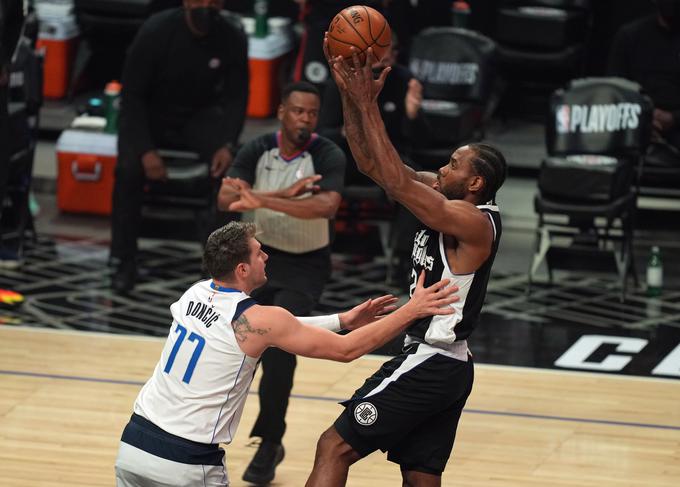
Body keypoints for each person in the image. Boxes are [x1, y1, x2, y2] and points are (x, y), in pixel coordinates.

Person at [114, 220, 459, 487]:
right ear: (242, 270)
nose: (266, 256)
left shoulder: (196, 293)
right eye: (258, 252)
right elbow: (347, 350)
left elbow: (279, 325)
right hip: (185, 460)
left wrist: (343, 319)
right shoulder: (259, 318)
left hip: (133, 444)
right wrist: (412, 310)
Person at [304, 42, 507, 487]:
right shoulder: (450, 196)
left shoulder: (471, 221)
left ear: (475, 183)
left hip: (432, 361)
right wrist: (349, 96)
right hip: (447, 365)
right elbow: (373, 164)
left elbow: (396, 181)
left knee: (333, 446)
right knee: (420, 477)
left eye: (453, 165)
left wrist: (367, 101)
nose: (441, 168)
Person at [216, 80, 345, 484]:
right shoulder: (257, 148)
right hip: (258, 261)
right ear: (282, 112)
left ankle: (270, 441)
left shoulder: (327, 152)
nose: (305, 119)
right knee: (233, 345)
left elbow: (326, 207)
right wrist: (287, 193)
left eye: (312, 112)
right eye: (298, 111)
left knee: (279, 347)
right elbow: (225, 199)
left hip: (305, 265)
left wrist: (263, 198)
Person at [110, 0, 248, 294]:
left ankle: (220, 268)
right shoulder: (156, 31)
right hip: (150, 113)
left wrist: (227, 143)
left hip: (198, 115)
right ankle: (123, 260)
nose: (206, 6)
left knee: (231, 173)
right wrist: (146, 150)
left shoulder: (231, 35)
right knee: (128, 170)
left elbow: (237, 96)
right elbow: (132, 97)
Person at [607, 0, 680, 177]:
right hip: (636, 122)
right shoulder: (630, 35)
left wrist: (674, 117)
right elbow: (614, 90)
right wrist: (644, 118)